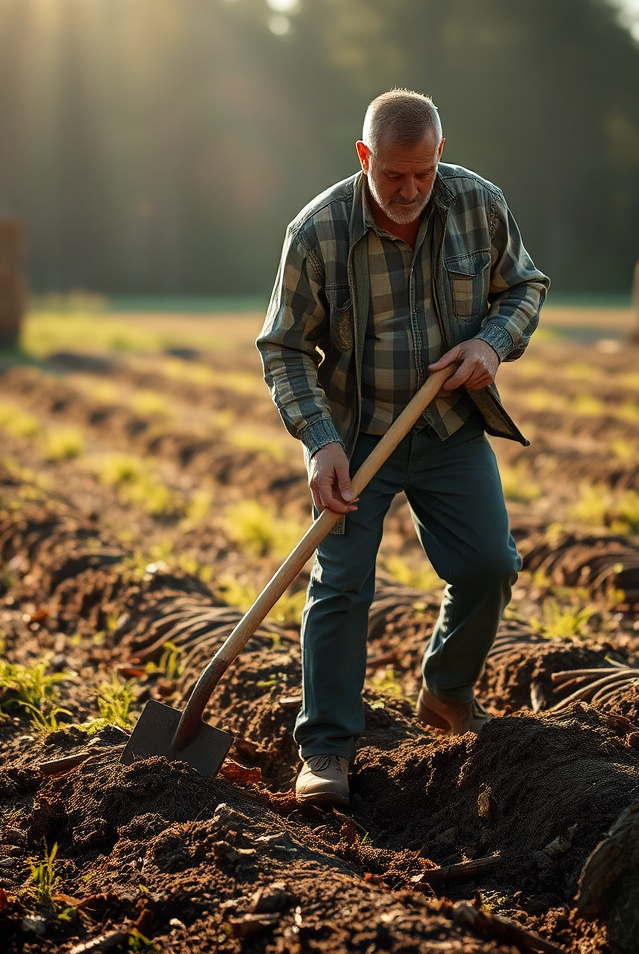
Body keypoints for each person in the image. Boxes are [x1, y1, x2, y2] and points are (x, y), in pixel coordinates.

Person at [257, 88, 548, 807]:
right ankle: (325, 747)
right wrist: (319, 442)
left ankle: (447, 692)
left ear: (439, 154)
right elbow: (284, 347)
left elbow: (525, 287)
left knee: (488, 565)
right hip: (356, 436)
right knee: (342, 583)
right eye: (393, 175)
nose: (411, 189)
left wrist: (493, 340)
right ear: (365, 157)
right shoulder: (318, 231)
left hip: (447, 428)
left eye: (423, 172)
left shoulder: (478, 205)